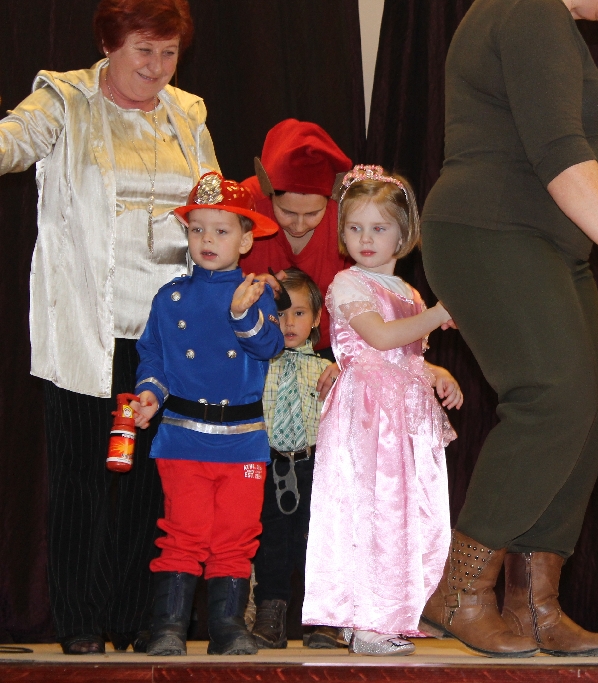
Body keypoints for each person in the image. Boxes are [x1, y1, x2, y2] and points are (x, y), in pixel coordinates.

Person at [419, 0, 598, 658]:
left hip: (548, 244)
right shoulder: (527, 9)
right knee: (553, 399)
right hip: (493, 229)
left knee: (586, 409)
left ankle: (534, 605)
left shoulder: (543, 19)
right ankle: (460, 591)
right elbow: (559, 154)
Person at [0, 0, 216, 655]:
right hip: (86, 328)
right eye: (143, 50)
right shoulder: (64, 100)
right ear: (109, 46)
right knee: (82, 479)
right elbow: (13, 143)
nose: (157, 66)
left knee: (151, 480)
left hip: (167, 333)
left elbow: (212, 204)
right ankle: (80, 622)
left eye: (169, 53)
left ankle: (136, 617)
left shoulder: (188, 114)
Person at [303, 165, 463, 656]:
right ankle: (364, 620)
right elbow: (379, 337)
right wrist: (439, 313)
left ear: (403, 233)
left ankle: (396, 612)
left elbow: (405, 354)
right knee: (368, 509)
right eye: (355, 228)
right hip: (368, 415)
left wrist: (435, 371)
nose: (366, 239)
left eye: (378, 228)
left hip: (403, 416)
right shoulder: (348, 284)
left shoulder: (407, 293)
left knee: (404, 513)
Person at [131, 172, 284, 656]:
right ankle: (168, 628)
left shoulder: (256, 294)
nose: (207, 240)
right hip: (182, 437)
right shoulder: (169, 297)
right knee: (183, 533)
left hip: (243, 440)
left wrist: (241, 315)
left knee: (236, 537)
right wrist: (149, 394)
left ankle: (227, 627)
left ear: (246, 239)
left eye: (221, 231)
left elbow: (270, 345)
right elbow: (154, 358)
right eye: (197, 229)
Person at [249, 269, 336, 650]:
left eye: (299, 313)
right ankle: (271, 612)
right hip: (269, 464)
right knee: (272, 541)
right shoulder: (257, 365)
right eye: (279, 314)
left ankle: (322, 619)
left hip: (315, 464)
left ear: (316, 319)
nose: (288, 323)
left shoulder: (328, 369)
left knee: (317, 541)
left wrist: (344, 373)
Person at [241, 119, 355, 360]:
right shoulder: (245, 207)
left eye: (313, 214)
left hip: (331, 351)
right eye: (287, 212)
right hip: (252, 349)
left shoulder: (348, 216)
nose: (299, 226)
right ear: (269, 193)